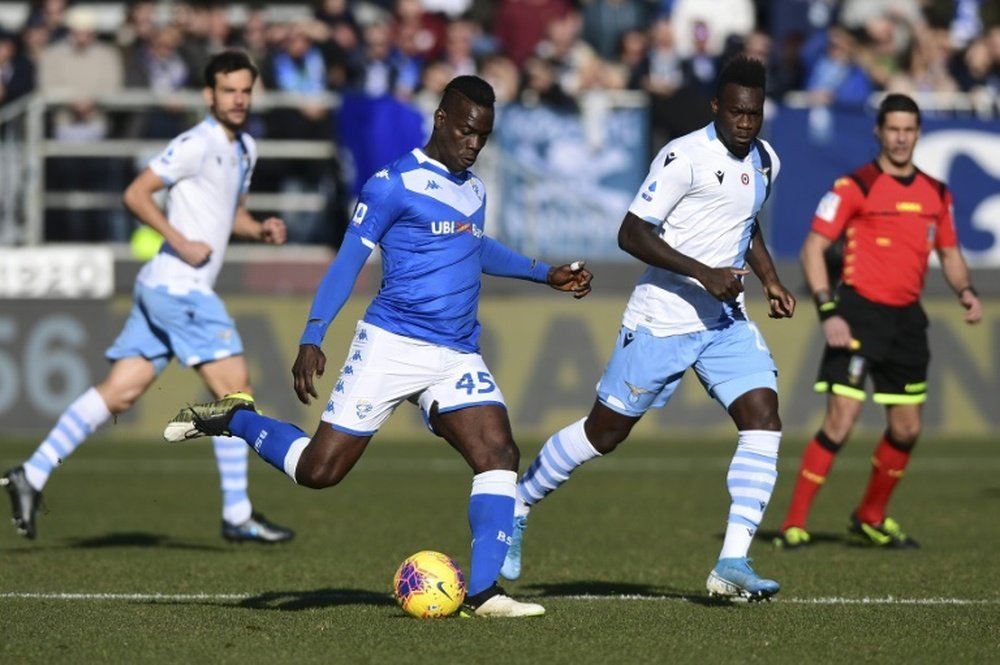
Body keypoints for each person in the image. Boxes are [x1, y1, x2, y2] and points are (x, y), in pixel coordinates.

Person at [161, 75, 594, 618]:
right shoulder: (392, 184)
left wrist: (542, 272)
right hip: (392, 345)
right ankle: (236, 418)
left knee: (499, 453)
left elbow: (474, 248)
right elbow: (347, 262)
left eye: (483, 136)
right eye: (466, 131)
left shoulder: (474, 188)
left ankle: (484, 592)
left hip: (456, 352)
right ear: (440, 118)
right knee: (319, 472)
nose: (473, 144)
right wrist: (313, 334)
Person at [500, 55, 795, 603]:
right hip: (662, 318)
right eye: (735, 112)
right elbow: (630, 233)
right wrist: (705, 274)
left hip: (724, 321)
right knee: (603, 433)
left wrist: (771, 280)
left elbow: (746, 224)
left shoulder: (766, 160)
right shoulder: (683, 155)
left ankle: (732, 560)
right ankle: (518, 503)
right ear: (716, 107)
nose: (745, 124)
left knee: (764, 418)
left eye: (754, 114)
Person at [1, 50, 294, 545]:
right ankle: (238, 513)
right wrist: (179, 240)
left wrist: (258, 227)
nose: (239, 99)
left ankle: (33, 472)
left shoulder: (245, 147)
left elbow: (229, 216)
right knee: (234, 391)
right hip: (180, 287)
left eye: (245, 90)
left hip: (162, 286)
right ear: (209, 96)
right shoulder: (196, 143)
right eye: (229, 90)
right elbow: (137, 193)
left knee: (120, 392)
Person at [773, 93, 983, 550]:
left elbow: (949, 253)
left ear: (918, 133)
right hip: (858, 315)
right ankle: (794, 523)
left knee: (907, 428)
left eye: (909, 129)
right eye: (894, 129)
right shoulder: (854, 186)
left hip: (907, 321)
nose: (902, 138)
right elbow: (813, 248)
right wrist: (828, 311)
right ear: (879, 132)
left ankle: (869, 516)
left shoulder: (936, 193)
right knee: (841, 420)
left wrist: (965, 292)